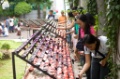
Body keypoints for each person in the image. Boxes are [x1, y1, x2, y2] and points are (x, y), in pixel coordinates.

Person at [74, 14, 96, 79]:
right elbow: (79, 39)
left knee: (92, 71)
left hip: (92, 52)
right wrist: (76, 50)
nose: (79, 26)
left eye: (80, 24)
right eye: (78, 24)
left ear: (85, 22)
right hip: (85, 52)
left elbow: (95, 42)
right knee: (87, 71)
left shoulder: (91, 29)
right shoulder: (81, 29)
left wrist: (89, 50)